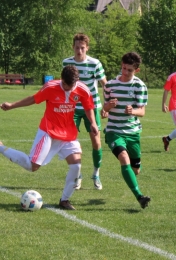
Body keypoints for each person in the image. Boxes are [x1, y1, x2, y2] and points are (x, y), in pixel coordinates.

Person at [0, 65, 98, 210]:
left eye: (71, 86)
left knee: (76, 165)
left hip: (68, 134)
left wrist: (93, 123)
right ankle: (1, 147)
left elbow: (89, 106)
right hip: (48, 132)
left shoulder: (82, 89)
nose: (68, 88)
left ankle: (64, 200)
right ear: (61, 78)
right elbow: (33, 99)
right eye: (65, 84)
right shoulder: (50, 87)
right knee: (32, 166)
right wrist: (12, 105)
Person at [103, 52, 151, 209]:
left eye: (129, 70)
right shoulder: (110, 85)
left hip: (132, 133)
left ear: (136, 70)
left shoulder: (139, 86)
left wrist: (133, 111)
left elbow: (142, 111)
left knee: (135, 170)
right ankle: (140, 196)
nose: (125, 72)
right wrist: (108, 107)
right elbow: (104, 111)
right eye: (123, 68)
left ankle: (134, 171)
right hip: (114, 131)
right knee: (123, 157)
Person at [62, 33, 107, 190]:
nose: (79, 51)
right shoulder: (66, 63)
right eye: (77, 47)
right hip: (72, 108)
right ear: (73, 47)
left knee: (96, 141)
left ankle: (96, 174)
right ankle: (77, 175)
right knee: (70, 142)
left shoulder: (94, 64)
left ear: (87, 48)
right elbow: (64, 85)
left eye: (82, 48)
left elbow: (104, 84)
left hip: (92, 107)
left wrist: (107, 106)